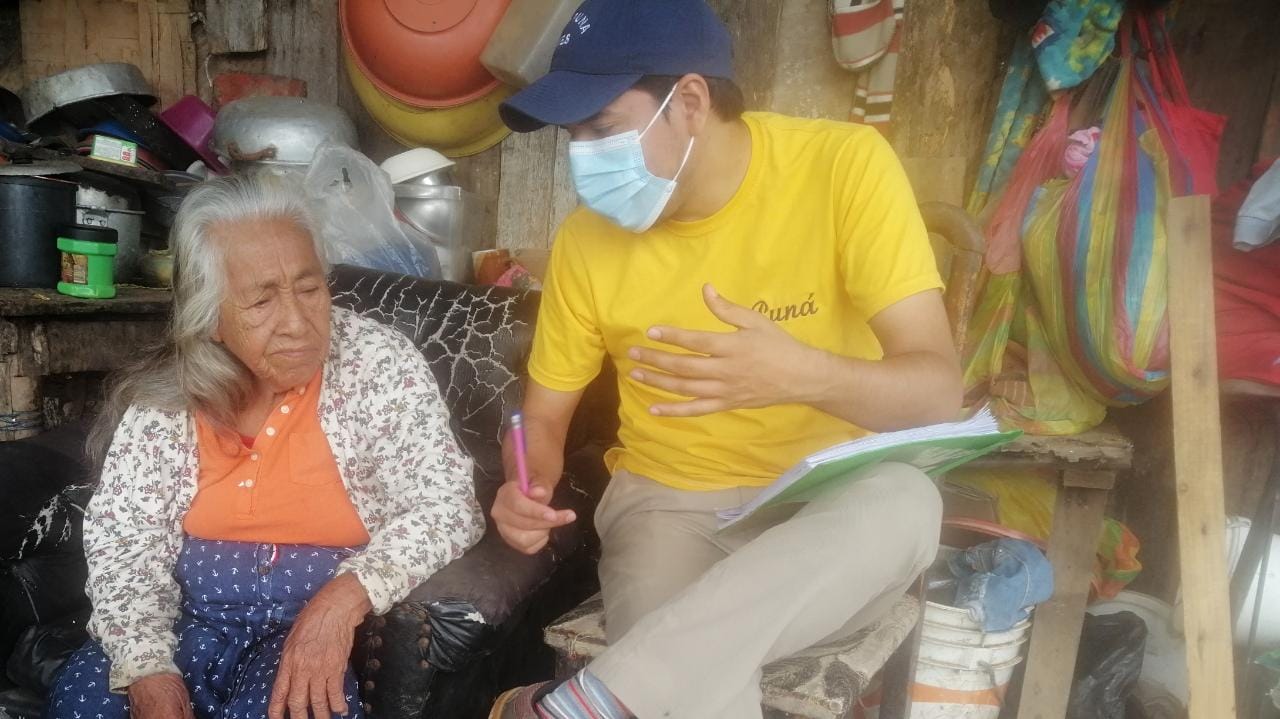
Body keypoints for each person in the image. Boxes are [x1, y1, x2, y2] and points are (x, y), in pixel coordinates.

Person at [487, 1, 963, 717]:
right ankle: (596, 702)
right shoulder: (586, 242)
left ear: (689, 101)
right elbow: (543, 417)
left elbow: (938, 392)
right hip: (670, 508)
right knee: (687, 682)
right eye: (572, 136)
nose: (583, 157)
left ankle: (592, 698)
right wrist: (527, 481)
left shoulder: (843, 167)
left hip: (832, 506)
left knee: (909, 501)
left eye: (602, 128)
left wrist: (800, 374)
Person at [47, 173, 485, 719]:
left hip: (306, 624)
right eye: (261, 301)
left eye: (310, 288)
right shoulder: (173, 393)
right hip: (181, 620)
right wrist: (147, 667)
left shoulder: (377, 362)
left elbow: (448, 506)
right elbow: (125, 537)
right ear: (211, 318)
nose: (298, 324)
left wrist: (343, 599)